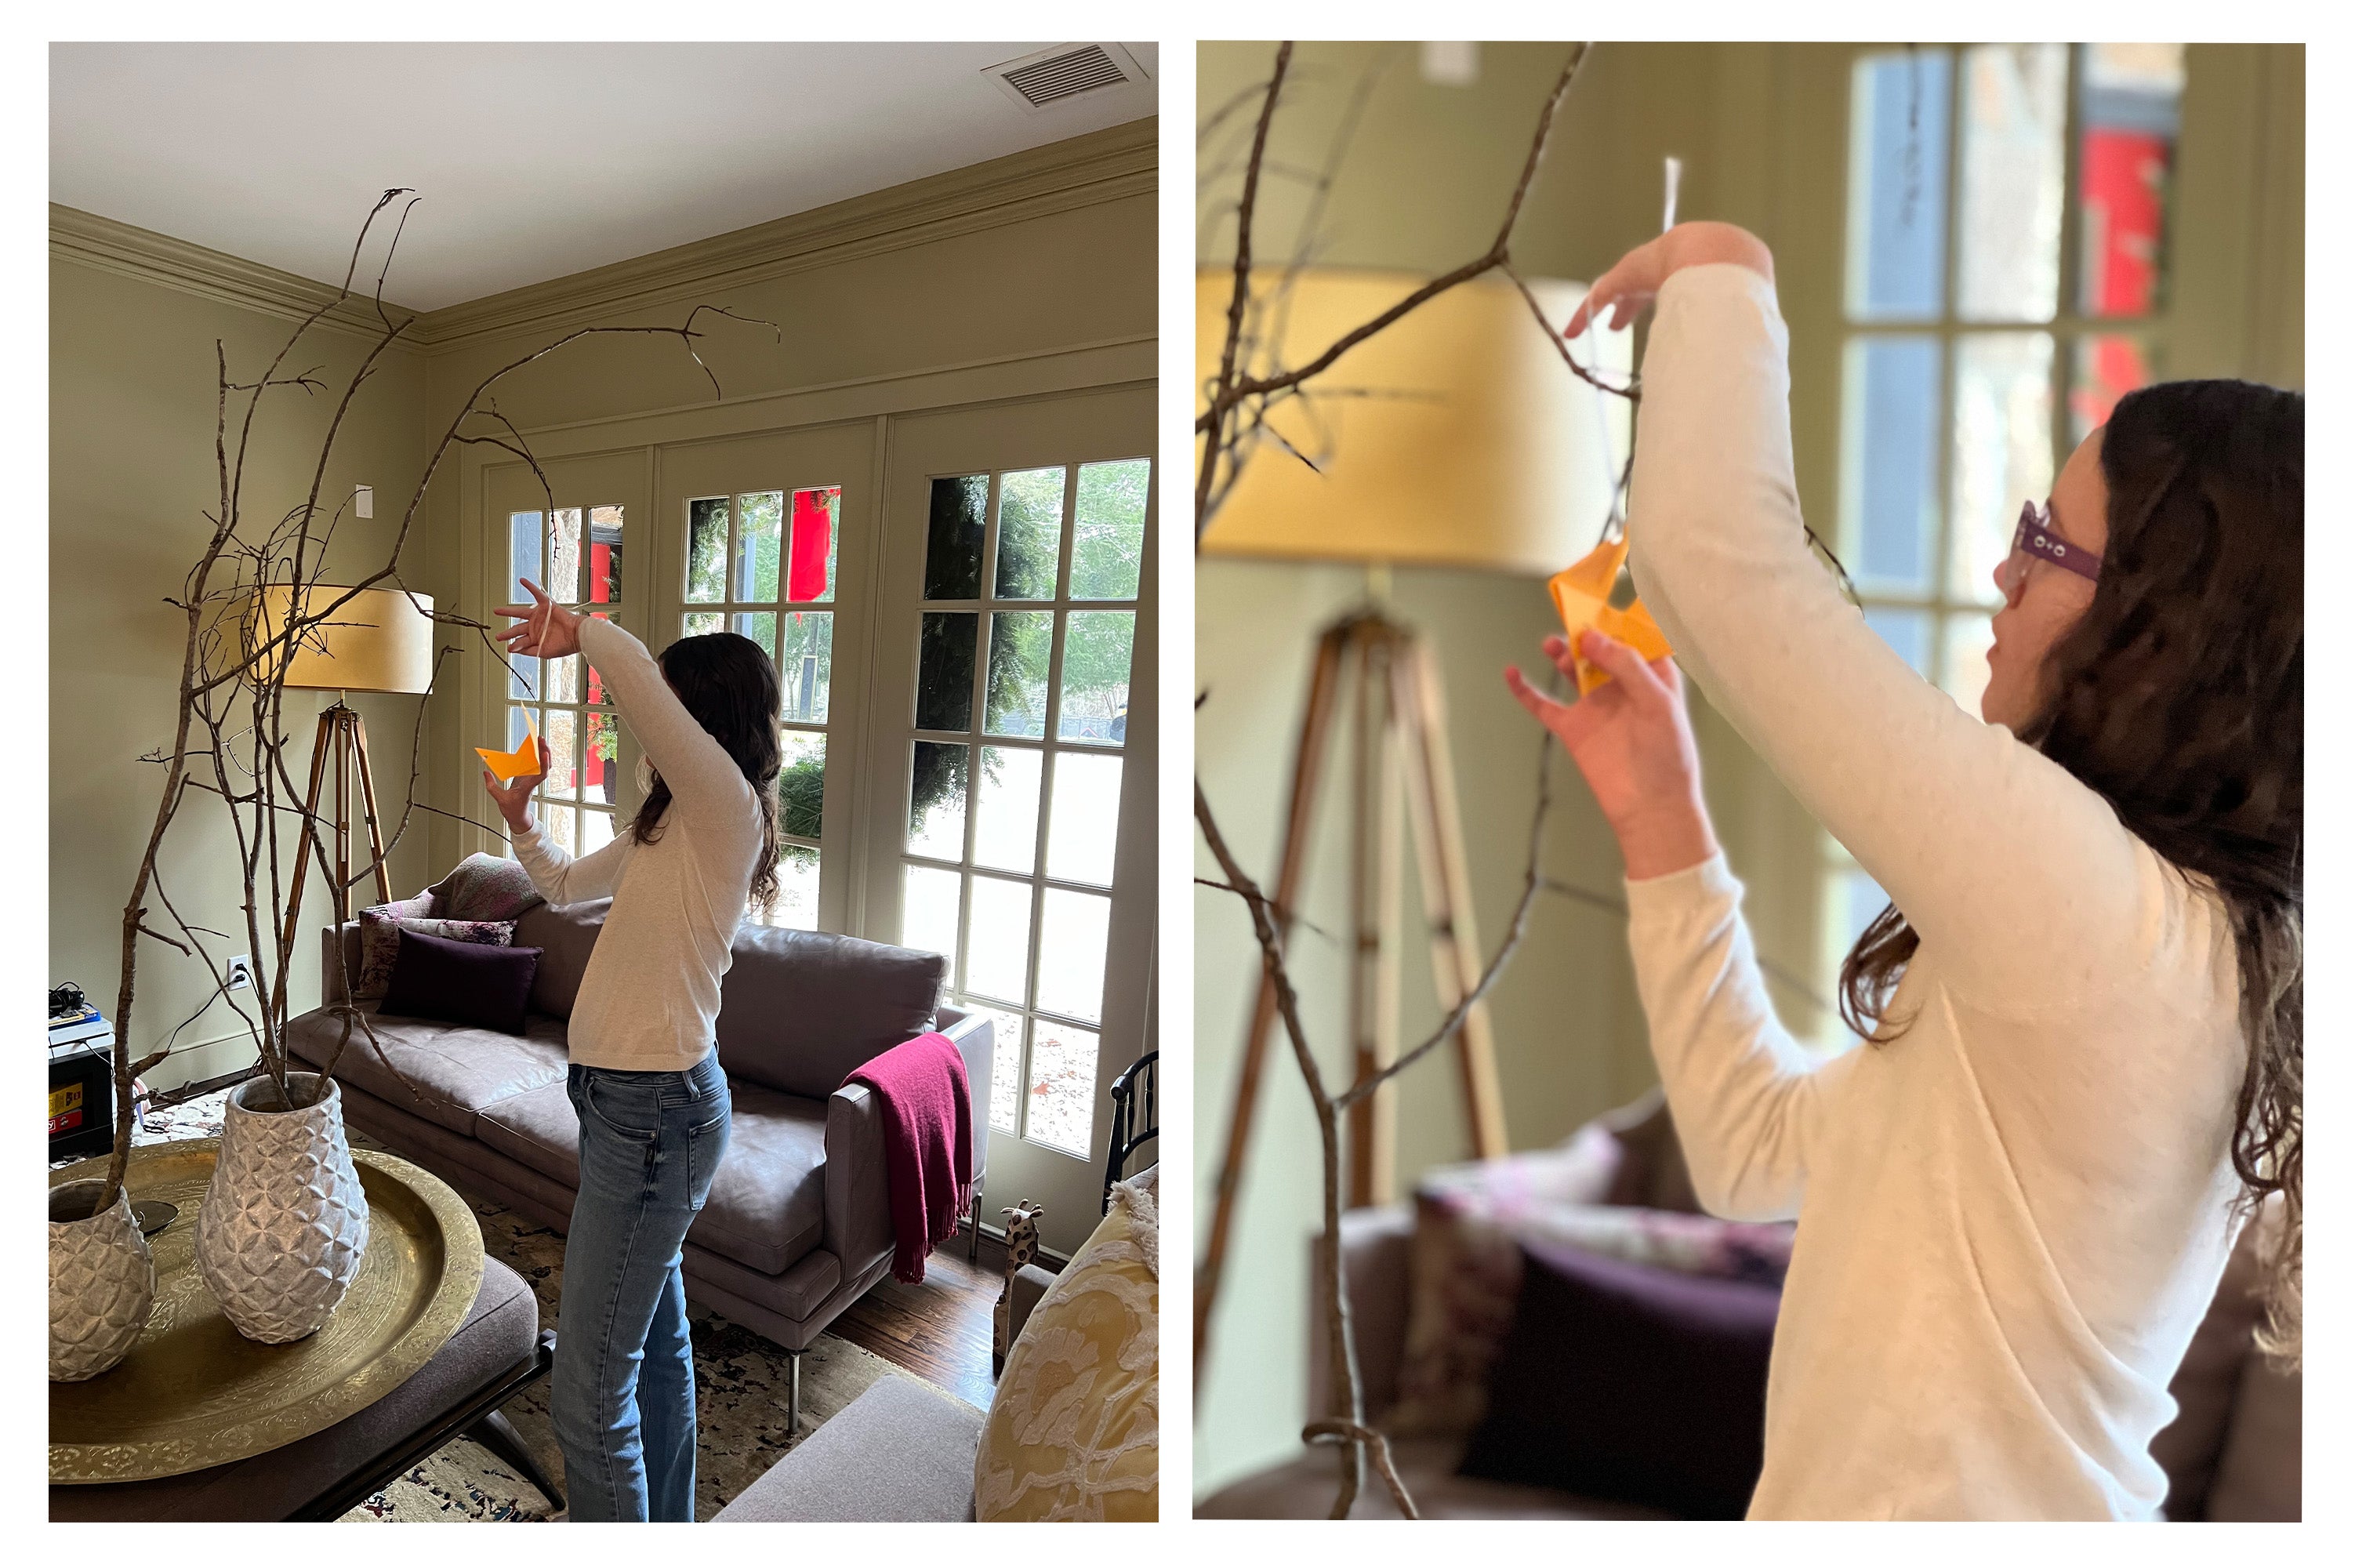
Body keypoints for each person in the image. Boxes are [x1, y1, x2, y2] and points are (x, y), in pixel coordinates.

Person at [1506, 222, 2300, 1520]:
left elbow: (1717, 565)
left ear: (2162, 636)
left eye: (2046, 541)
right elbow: (1751, 1154)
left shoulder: (2102, 920)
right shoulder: (2129, 940)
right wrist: (1662, 818)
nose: (2002, 567)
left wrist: (1720, 267)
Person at [484, 582, 784, 1522]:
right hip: (626, 1103)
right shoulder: (672, 825)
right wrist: (521, 815)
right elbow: (568, 888)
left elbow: (641, 699)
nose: (661, 725)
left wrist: (590, 633)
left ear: (708, 719)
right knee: (655, 1347)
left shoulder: (729, 808)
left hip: (656, 1112)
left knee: (585, 1383)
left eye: (675, 706)